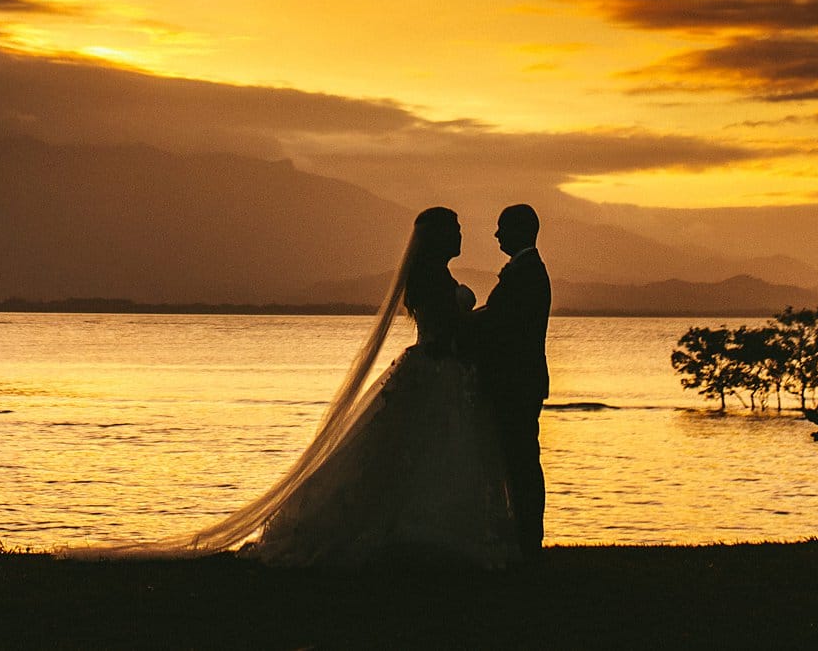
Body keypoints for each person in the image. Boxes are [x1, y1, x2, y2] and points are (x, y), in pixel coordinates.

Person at [83, 206, 517, 567]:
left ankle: (419, 531)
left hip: (437, 372)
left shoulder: (432, 276)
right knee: (420, 454)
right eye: (455, 228)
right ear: (439, 237)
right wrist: (480, 323)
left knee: (417, 456)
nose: (461, 234)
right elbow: (446, 330)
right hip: (436, 371)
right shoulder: (433, 279)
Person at [470, 202, 552, 552]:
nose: (496, 234)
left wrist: (463, 323)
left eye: (502, 227)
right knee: (517, 458)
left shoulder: (526, 273)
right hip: (519, 380)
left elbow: (501, 323)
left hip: (517, 382)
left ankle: (529, 536)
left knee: (521, 460)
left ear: (520, 230)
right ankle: (522, 533)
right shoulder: (525, 270)